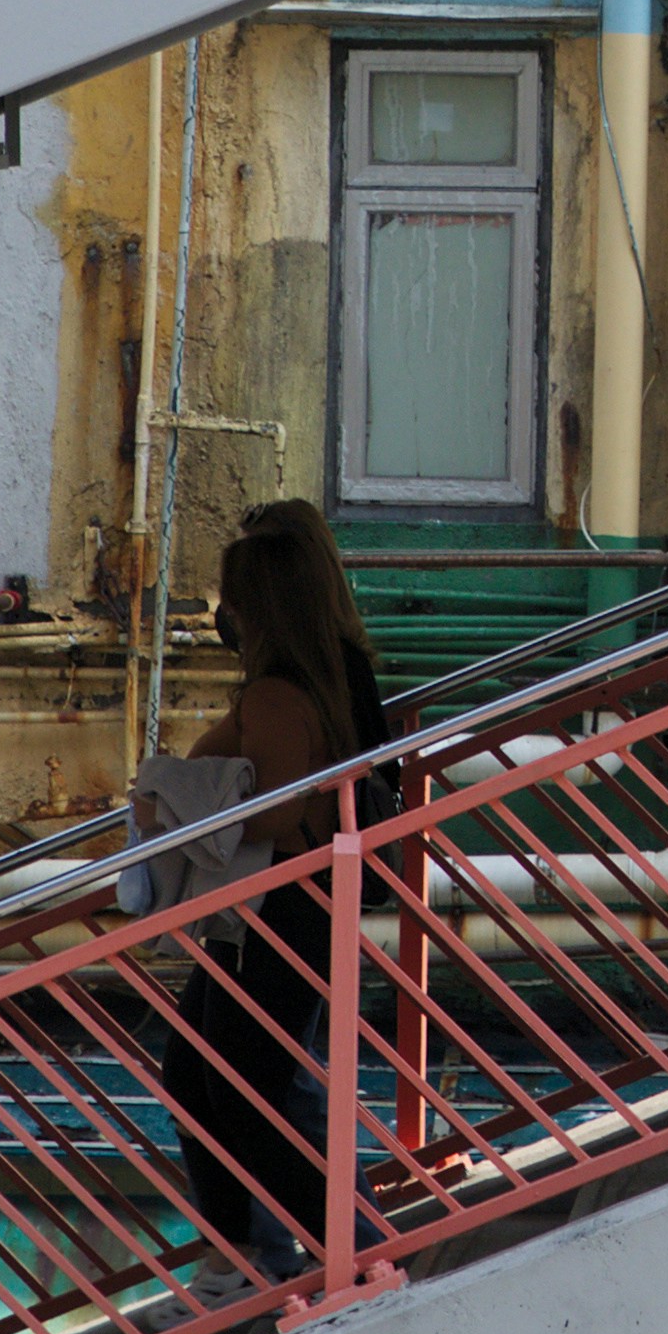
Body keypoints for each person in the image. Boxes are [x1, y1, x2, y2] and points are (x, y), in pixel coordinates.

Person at [150, 501, 389, 1276]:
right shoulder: (340, 673)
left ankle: (312, 1250)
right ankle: (264, 1247)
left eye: (232, 604)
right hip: (296, 901)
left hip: (277, 904)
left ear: (257, 609)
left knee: (239, 1085)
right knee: (217, 1072)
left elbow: (277, 810)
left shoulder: (279, 694)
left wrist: (183, 799)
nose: (224, 619)